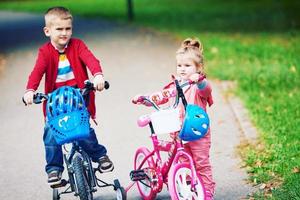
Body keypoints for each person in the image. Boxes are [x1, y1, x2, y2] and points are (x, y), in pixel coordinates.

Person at [22, 6, 114, 186]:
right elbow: (37, 72)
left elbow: (91, 60)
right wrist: (30, 91)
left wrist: (98, 76)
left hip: (78, 96)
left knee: (83, 129)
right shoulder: (45, 52)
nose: (65, 33)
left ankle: (99, 155)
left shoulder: (77, 45)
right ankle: (54, 169)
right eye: (59, 29)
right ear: (47, 31)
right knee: (51, 131)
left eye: (68, 28)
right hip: (55, 101)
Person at [133, 38, 215, 199]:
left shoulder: (198, 87)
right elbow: (162, 96)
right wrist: (145, 98)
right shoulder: (176, 86)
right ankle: (188, 188)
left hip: (197, 133)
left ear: (198, 68)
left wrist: (200, 80)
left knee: (201, 163)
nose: (182, 69)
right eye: (179, 66)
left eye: (187, 66)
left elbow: (207, 89)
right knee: (182, 161)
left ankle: (207, 193)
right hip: (178, 132)